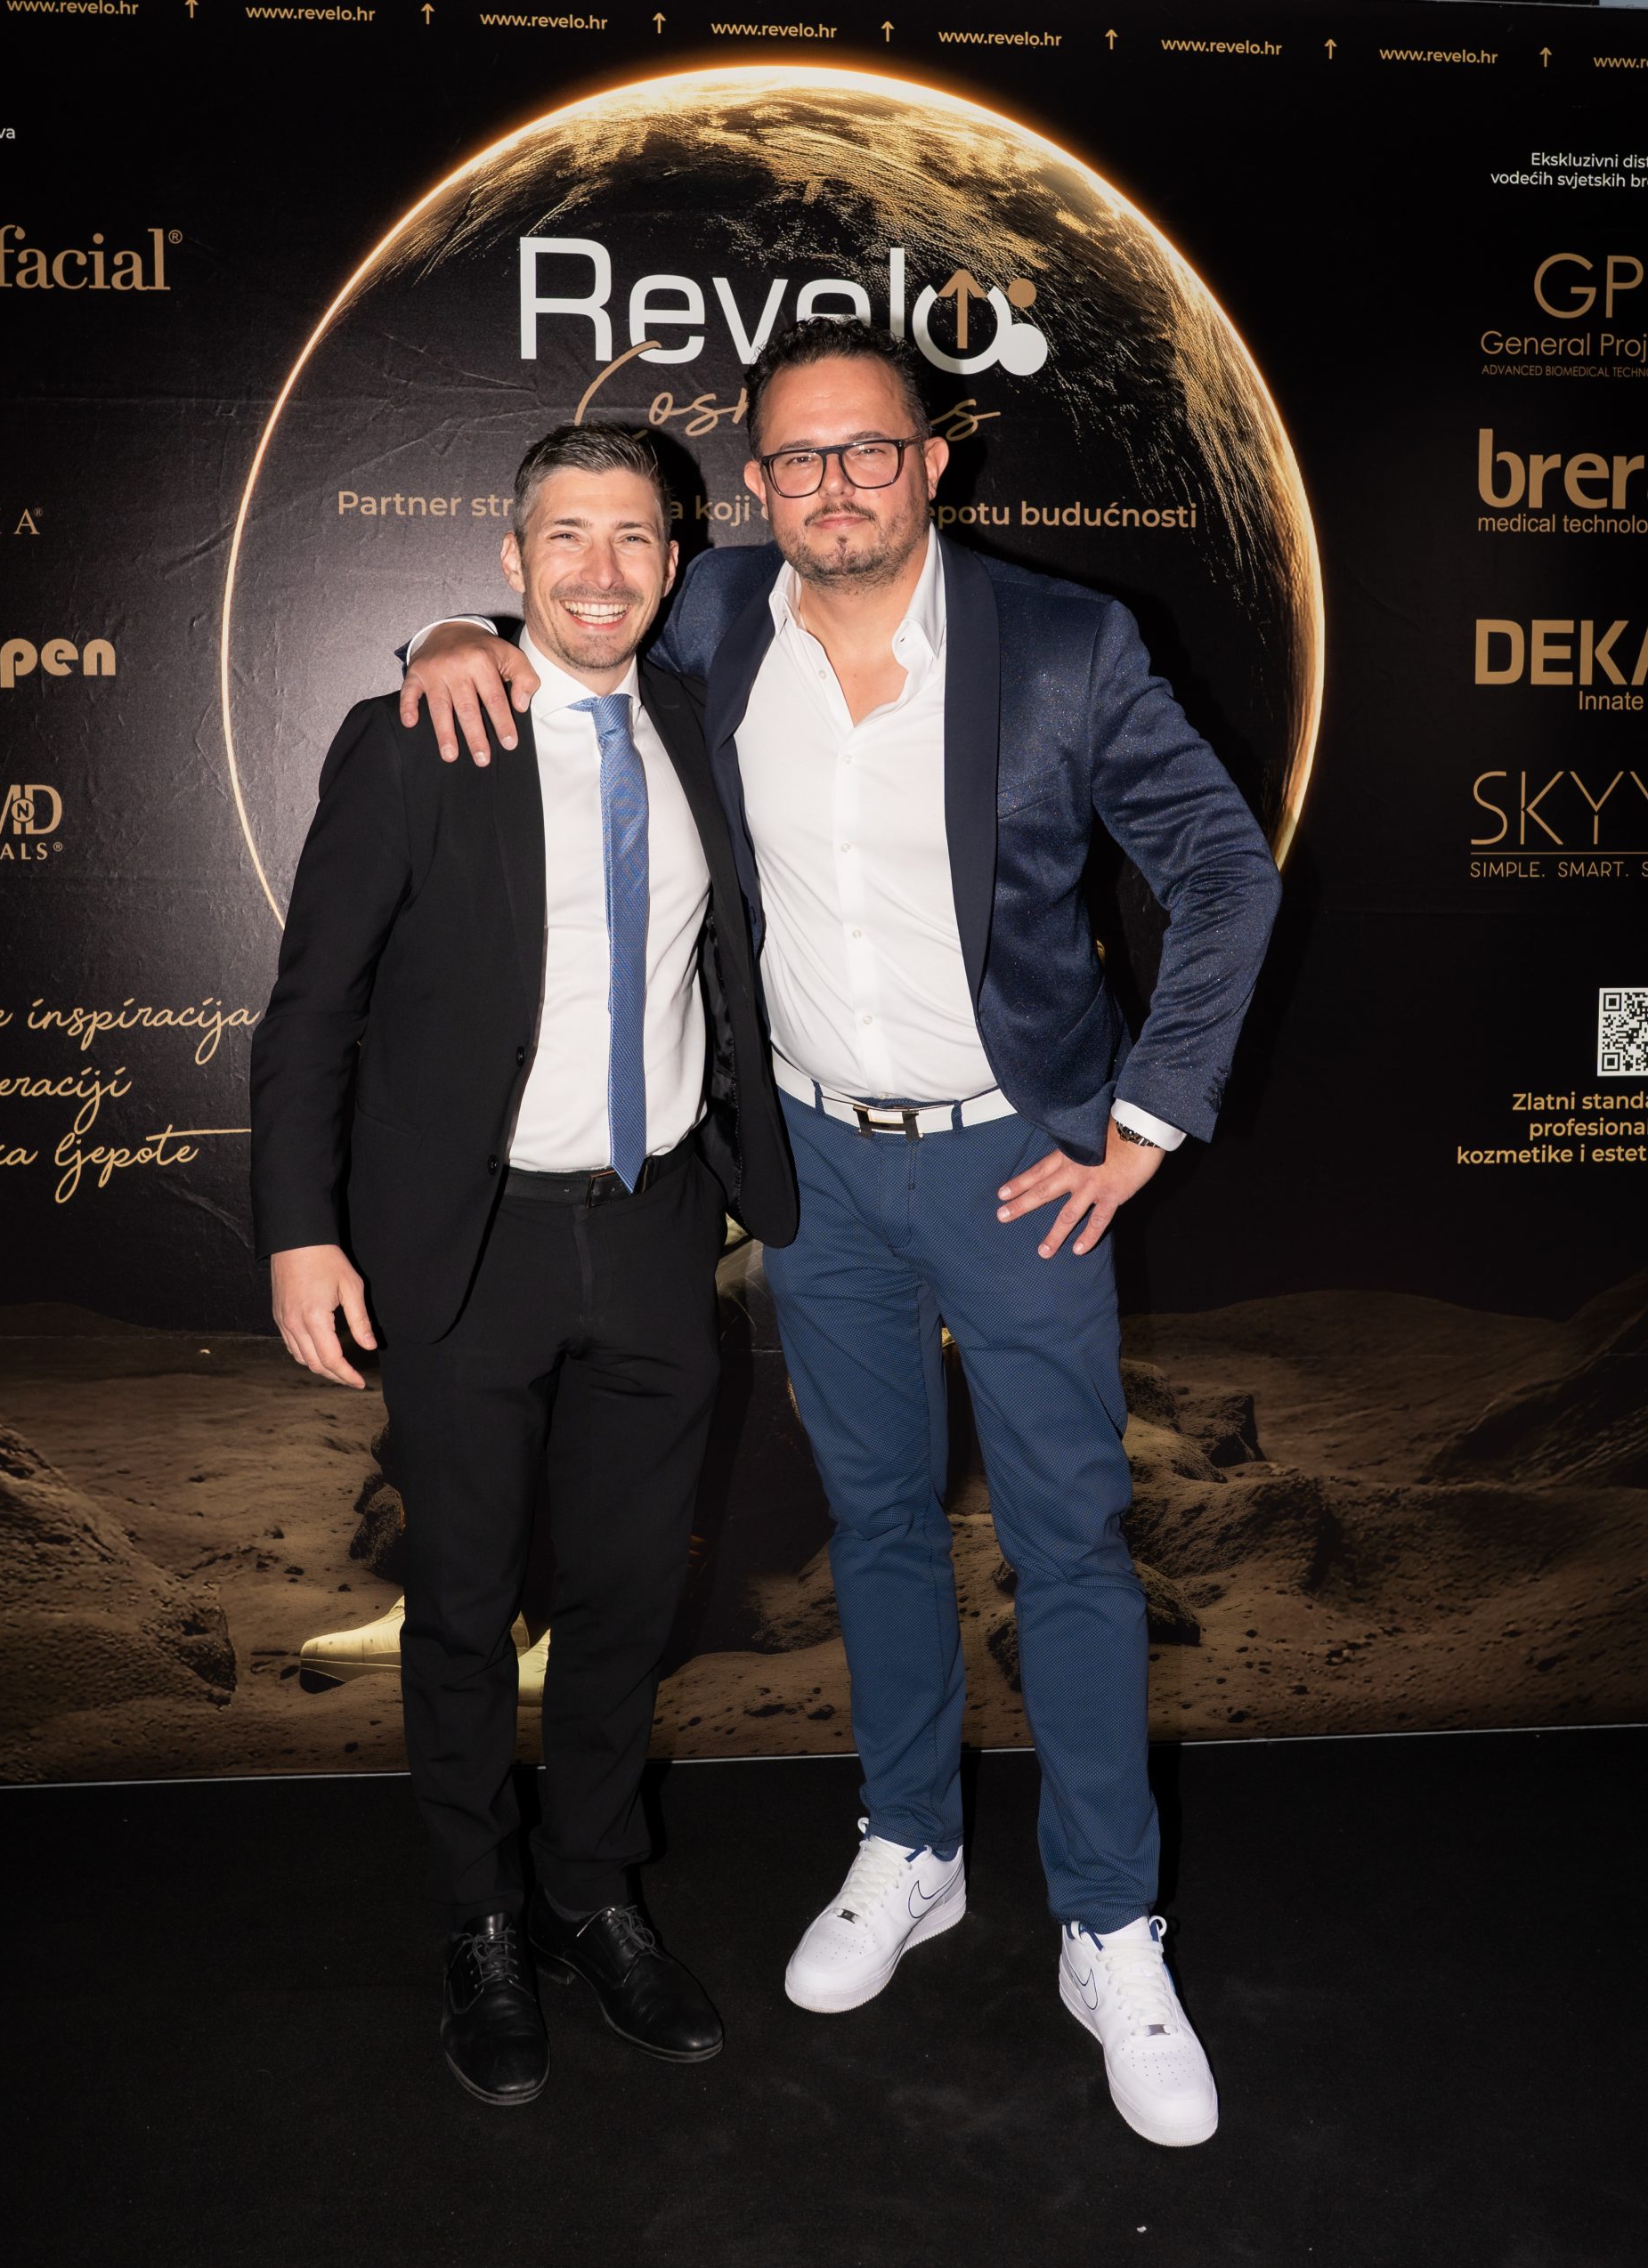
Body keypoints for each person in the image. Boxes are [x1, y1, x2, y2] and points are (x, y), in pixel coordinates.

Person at [399, 318, 1282, 2148]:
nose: (832, 484)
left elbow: (1221, 866)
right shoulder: (715, 617)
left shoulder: (1066, 643)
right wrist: (440, 636)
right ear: (760, 483)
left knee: (1069, 1543)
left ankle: (1112, 1923)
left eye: (867, 448)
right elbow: (558, 633)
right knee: (874, 1519)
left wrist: (1145, 1119)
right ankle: (911, 1843)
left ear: (932, 460)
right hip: (810, 1165)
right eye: (796, 458)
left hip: (1018, 1163)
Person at [250, 422, 795, 2107]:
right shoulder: (418, 732)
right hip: (462, 1241)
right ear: (511, 559)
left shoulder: (703, 724)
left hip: (651, 1227)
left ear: (675, 566)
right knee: (466, 1604)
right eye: (566, 537)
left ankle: (587, 1890)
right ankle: (478, 1917)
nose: (600, 572)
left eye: (634, 539)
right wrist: (299, 1231)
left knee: (629, 1595)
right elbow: (313, 1010)